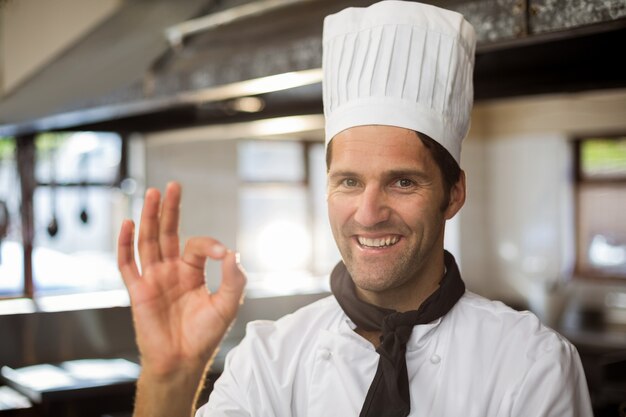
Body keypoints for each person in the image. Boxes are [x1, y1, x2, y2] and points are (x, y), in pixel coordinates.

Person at [117, 2, 593, 416]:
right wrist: (170, 375)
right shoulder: (269, 359)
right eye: (348, 181)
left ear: (453, 194)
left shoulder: (529, 362)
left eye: (402, 182)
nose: (368, 213)